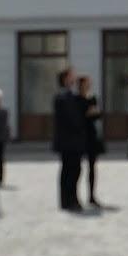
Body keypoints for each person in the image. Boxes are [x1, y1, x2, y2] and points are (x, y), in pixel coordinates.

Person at [51, 67, 87, 211]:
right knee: (69, 170)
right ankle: (67, 200)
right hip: (68, 140)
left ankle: (72, 198)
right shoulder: (62, 96)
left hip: (74, 140)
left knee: (75, 169)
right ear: (65, 79)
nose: (74, 79)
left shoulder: (72, 96)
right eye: (71, 76)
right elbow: (71, 118)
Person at [77, 74, 105, 207]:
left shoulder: (92, 98)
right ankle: (75, 195)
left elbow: (97, 114)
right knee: (76, 167)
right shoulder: (76, 99)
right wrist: (88, 113)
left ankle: (91, 195)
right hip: (80, 135)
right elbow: (81, 115)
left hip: (91, 136)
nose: (88, 85)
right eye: (86, 83)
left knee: (92, 167)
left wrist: (92, 113)